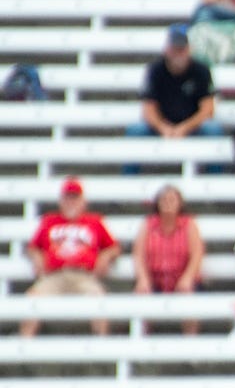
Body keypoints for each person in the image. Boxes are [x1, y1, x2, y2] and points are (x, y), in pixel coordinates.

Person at [23, 177, 120, 338]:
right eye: (67, 198)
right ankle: (23, 347)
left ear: (83, 201)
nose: (71, 202)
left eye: (75, 198)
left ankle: (102, 347)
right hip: (55, 276)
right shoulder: (49, 221)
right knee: (31, 298)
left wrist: (106, 256)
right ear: (61, 200)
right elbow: (32, 247)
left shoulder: (94, 221)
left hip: (83, 276)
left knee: (100, 299)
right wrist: (37, 256)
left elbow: (114, 247)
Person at [125, 24, 224, 171]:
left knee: (213, 130)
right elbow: (148, 109)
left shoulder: (201, 71)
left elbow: (208, 110)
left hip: (193, 126)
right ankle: (129, 183)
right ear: (167, 49)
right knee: (136, 131)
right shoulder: (155, 70)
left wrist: (184, 128)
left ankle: (215, 182)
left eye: (182, 49)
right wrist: (164, 128)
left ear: (189, 49)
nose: (178, 54)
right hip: (163, 125)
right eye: (175, 49)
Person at [131, 184, 205, 335]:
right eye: (164, 199)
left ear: (180, 203)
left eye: (172, 199)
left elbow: (197, 254)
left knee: (189, 299)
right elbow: (138, 254)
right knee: (142, 294)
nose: (168, 203)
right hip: (155, 280)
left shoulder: (189, 225)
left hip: (181, 279)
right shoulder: (148, 224)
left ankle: (191, 344)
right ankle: (142, 342)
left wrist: (187, 278)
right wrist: (143, 279)